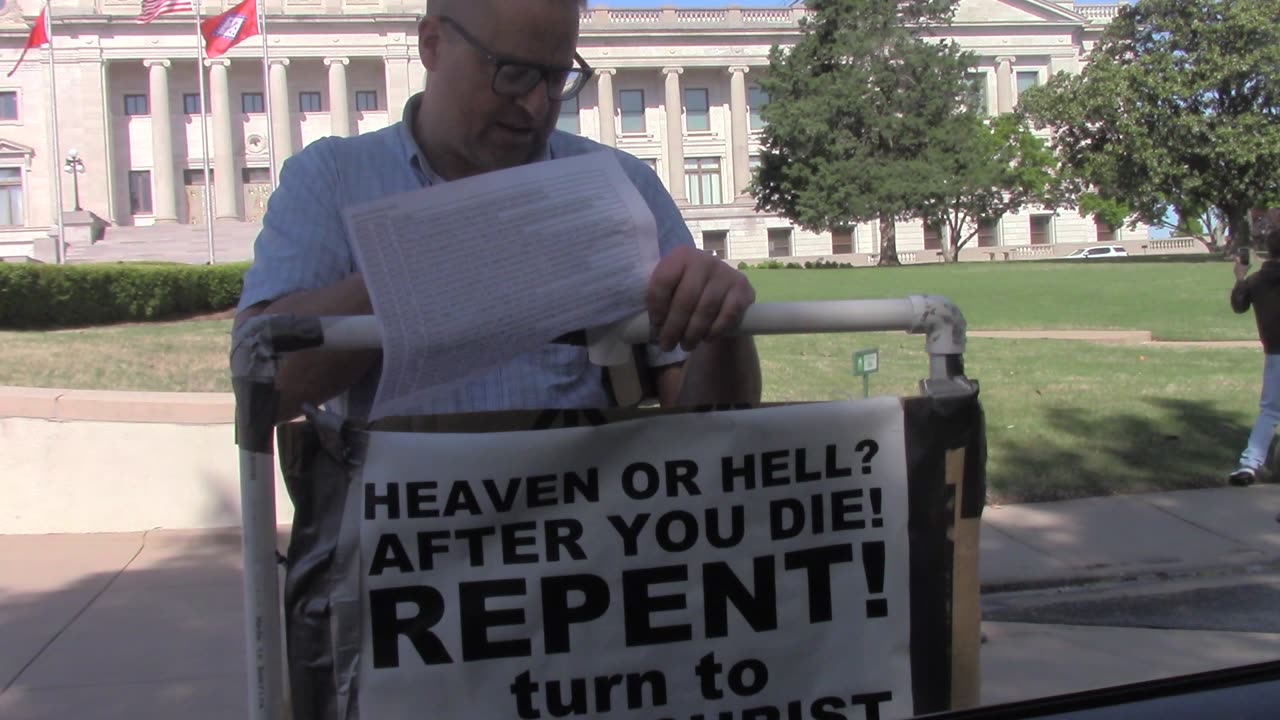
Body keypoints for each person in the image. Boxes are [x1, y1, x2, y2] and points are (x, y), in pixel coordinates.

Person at [235, 0, 762, 421]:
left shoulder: (623, 184)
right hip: (402, 537)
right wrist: (439, 258)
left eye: (556, 78)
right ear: (433, 45)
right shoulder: (332, 178)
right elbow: (265, 389)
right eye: (512, 73)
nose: (536, 105)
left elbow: (710, 432)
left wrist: (721, 324)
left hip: (579, 535)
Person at [1228, 208, 1280, 486]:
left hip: (1275, 355)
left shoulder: (1256, 281)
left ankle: (1249, 465)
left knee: (1270, 413)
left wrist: (1239, 276)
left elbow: (1239, 306)